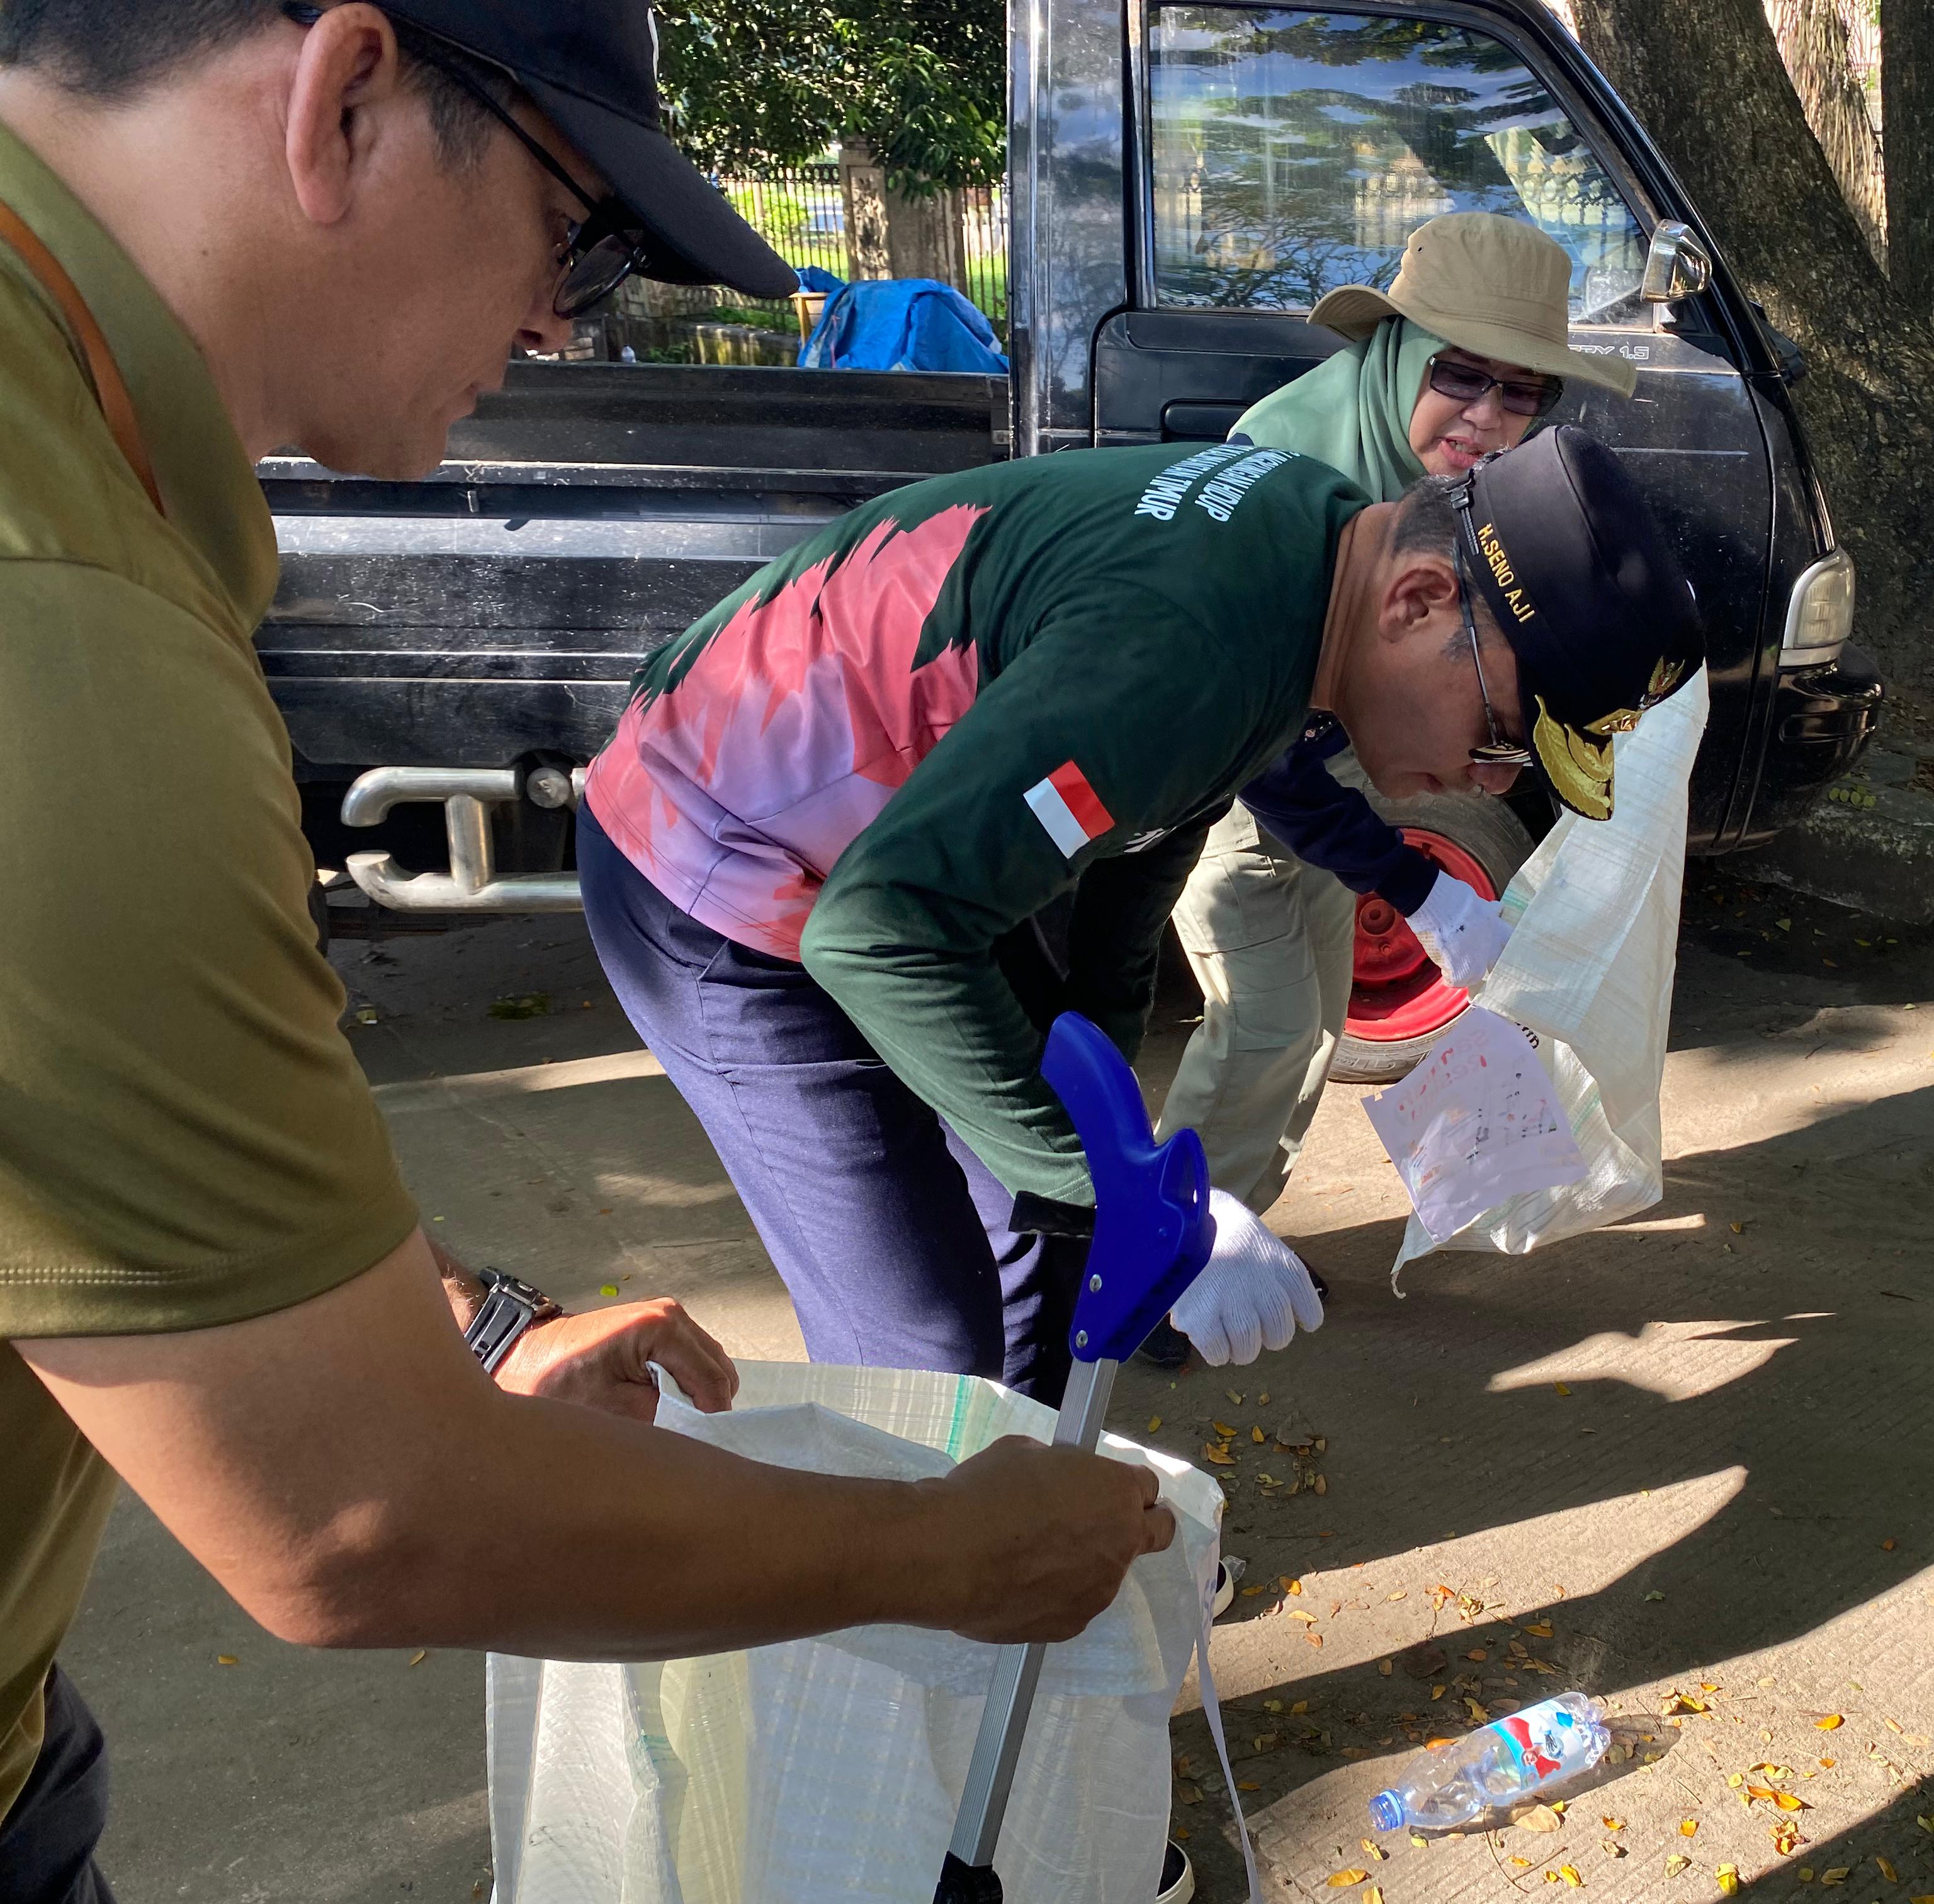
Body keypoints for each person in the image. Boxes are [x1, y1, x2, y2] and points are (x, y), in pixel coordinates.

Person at [0, 6, 1174, 1896]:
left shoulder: (75, 469)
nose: (572, 326)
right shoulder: (60, 614)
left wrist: (470, 1326)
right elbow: (352, 1525)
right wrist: (949, 1557)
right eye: (588, 237)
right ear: (345, 100)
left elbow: (92, 1142)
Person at [575, 421, 1703, 1404]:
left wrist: (1115, 1169)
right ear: (1417, 600)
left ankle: (1016, 1524)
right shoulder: (1193, 647)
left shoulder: (1312, 553)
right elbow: (879, 932)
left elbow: (1141, 847)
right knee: (920, 1338)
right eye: (1504, 732)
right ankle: (925, 1612)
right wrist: (1135, 1193)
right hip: (715, 857)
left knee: (1042, 1228)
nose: (1493, 780)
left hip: (895, 846)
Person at [1155, 212, 1635, 1242]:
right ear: (1395, 354)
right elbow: (1257, 753)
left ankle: (1230, 1230)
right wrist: (1412, 882)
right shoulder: (1286, 474)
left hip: (1329, 777)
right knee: (1267, 1026)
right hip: (1238, 785)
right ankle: (1164, 1260)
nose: (1488, 416)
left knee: (1316, 1024)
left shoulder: (1453, 484)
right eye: (1460, 375)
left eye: (1522, 391)